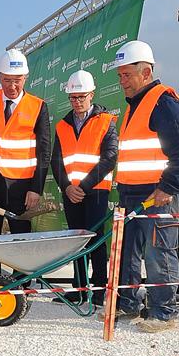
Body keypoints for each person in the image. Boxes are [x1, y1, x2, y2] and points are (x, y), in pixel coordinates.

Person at [108, 40, 179, 333]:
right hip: (131, 193)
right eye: (119, 75)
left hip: (156, 194)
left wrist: (168, 187)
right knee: (126, 255)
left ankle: (163, 312)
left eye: (127, 75)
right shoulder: (135, 105)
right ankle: (128, 304)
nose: (122, 82)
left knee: (159, 253)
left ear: (146, 72)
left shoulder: (163, 103)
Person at [0, 49, 51, 276]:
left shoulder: (38, 106)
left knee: (20, 235)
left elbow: (44, 151)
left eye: (16, 81)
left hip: (22, 186)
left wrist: (36, 188)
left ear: (25, 78)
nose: (11, 86)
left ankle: (21, 280)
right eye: (6, 80)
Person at [50, 70, 117, 306]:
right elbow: (56, 161)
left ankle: (99, 291)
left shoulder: (106, 121)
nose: (77, 102)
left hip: (95, 191)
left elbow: (109, 158)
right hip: (71, 193)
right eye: (73, 97)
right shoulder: (62, 125)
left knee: (95, 240)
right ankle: (78, 289)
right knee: (76, 241)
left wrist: (83, 187)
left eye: (81, 97)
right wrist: (67, 187)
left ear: (91, 95)